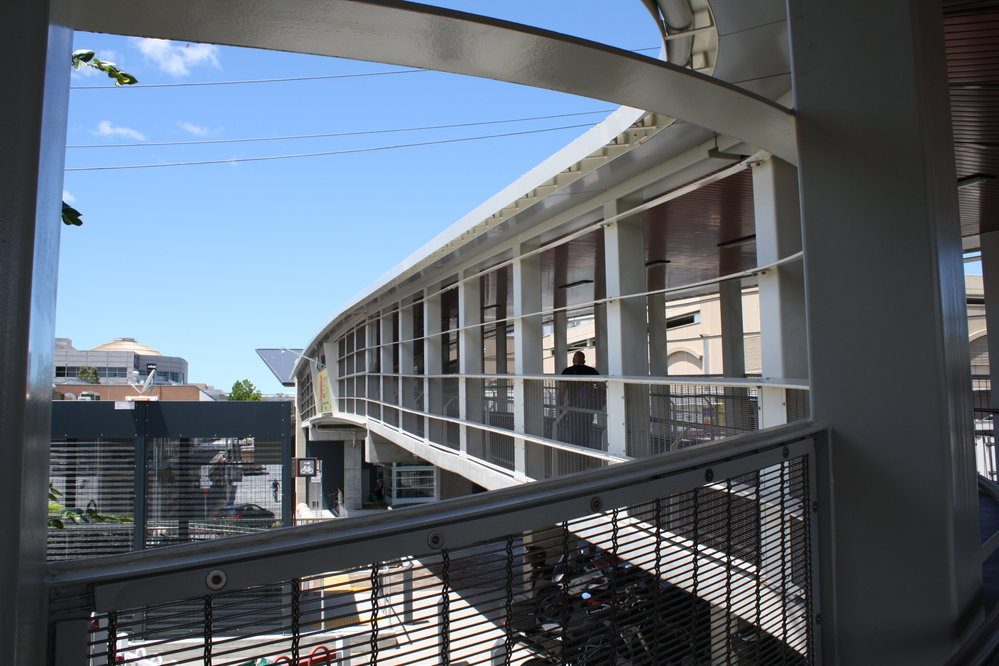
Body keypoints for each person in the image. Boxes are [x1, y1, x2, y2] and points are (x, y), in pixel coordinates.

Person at [558, 351, 603, 447]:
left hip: (574, 407)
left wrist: (560, 406)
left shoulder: (567, 371)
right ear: (584, 361)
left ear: (573, 360)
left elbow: (562, 391)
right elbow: (602, 386)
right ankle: (585, 449)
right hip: (588, 407)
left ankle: (576, 451)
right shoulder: (591, 371)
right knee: (586, 431)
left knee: (574, 431)